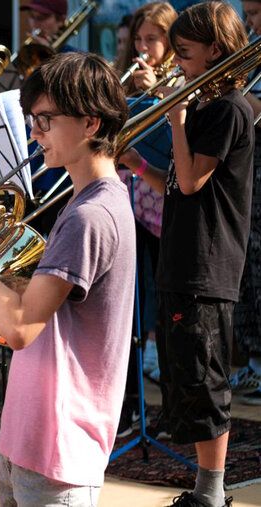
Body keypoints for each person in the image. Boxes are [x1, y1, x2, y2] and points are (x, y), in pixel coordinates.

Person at [0, 51, 134, 504]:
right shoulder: (84, 202)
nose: (33, 133)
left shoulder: (91, 215)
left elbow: (21, 327)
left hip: (58, 445)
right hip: (32, 437)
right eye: (33, 120)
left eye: (45, 120)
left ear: (90, 123)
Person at [120, 3, 252, 506]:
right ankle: (203, 489)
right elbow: (177, 185)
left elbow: (195, 180)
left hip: (207, 262)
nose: (177, 62)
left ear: (216, 50)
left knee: (205, 380)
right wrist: (136, 163)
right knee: (184, 378)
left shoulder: (228, 108)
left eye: (185, 52)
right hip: (182, 254)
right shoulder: (203, 105)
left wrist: (176, 119)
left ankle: (212, 494)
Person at [113, 1, 179, 438]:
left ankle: (173, 407)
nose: (143, 47)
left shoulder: (182, 81)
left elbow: (180, 140)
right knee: (129, 307)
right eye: (139, 39)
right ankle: (127, 405)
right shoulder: (127, 78)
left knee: (166, 309)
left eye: (152, 39)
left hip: (164, 207)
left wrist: (158, 94)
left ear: (171, 41)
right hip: (129, 203)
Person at [228, 0, 261, 406]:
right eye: (248, 14)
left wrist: (232, 90)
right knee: (249, 268)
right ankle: (253, 361)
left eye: (255, 13)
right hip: (249, 171)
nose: (250, 23)